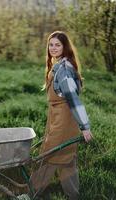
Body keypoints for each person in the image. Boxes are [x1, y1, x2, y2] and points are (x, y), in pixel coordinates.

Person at [29, 31, 93, 200]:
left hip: (64, 120)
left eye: (58, 45)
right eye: (51, 45)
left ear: (65, 47)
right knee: (66, 156)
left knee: (49, 155)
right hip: (59, 117)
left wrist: (85, 127)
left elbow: (74, 100)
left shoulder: (64, 70)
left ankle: (32, 193)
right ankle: (74, 194)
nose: (53, 48)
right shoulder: (58, 65)